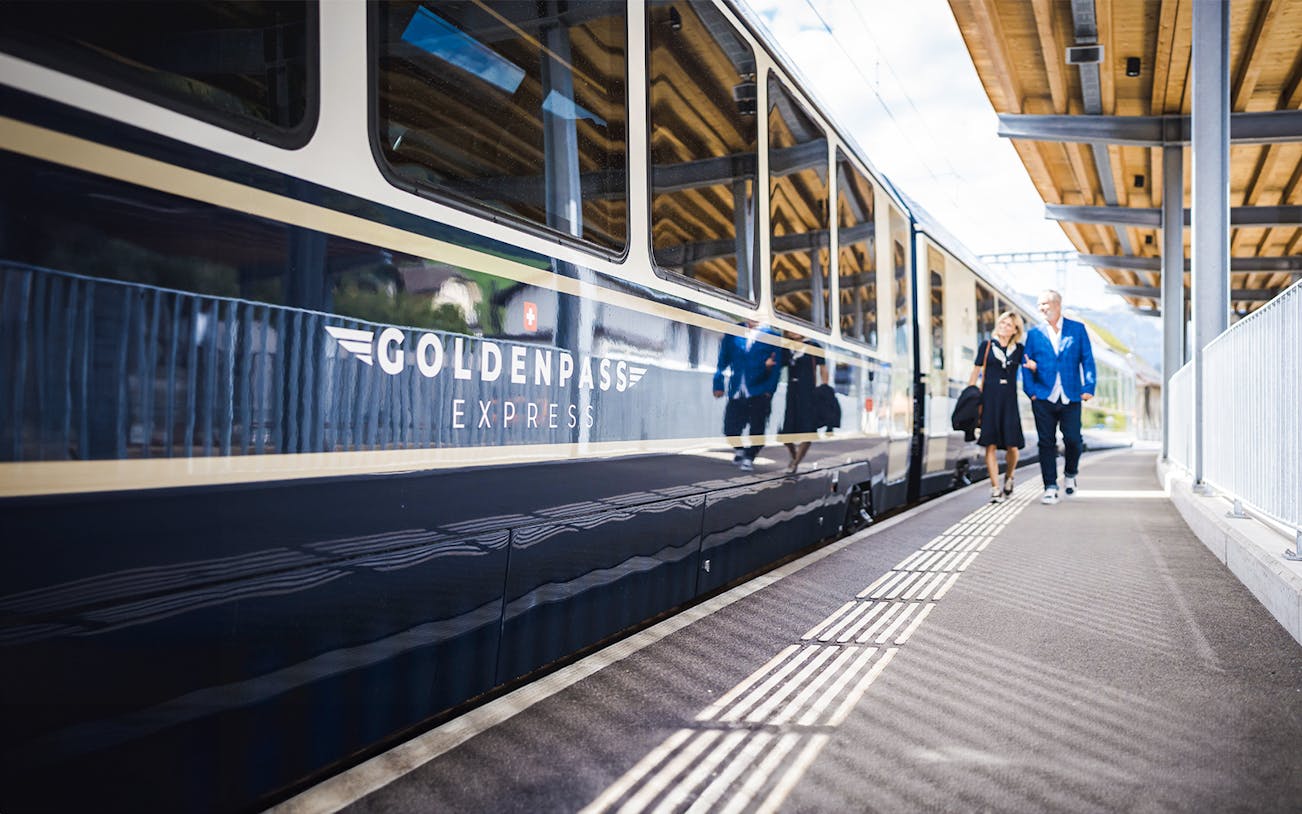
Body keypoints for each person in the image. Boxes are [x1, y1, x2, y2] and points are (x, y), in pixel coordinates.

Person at [1021, 289, 1096, 505]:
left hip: (1071, 395)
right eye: (1039, 305)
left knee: (1073, 440)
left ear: (1057, 304)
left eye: (1044, 304)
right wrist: (1031, 392)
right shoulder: (1034, 334)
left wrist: (1089, 386)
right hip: (1043, 396)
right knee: (1046, 442)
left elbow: (1087, 360)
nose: (1041, 308)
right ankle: (1050, 487)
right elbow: (1026, 364)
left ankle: (1070, 474)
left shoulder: (1077, 329)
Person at [968, 311, 1034, 503]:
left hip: (1009, 402)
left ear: (1015, 330)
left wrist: (1033, 367)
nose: (1004, 326)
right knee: (990, 444)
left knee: (1012, 446)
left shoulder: (1019, 349)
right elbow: (976, 372)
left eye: (1008, 324)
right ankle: (995, 488)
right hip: (989, 401)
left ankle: (1009, 477)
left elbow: (1029, 367)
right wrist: (970, 395)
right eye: (1002, 323)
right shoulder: (987, 346)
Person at [713, 320, 781, 471]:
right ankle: (740, 450)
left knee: (757, 429)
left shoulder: (773, 336)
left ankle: (749, 457)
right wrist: (718, 384)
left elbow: (776, 368)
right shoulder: (733, 331)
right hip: (737, 389)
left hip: (759, 390)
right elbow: (722, 360)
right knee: (730, 428)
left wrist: (769, 390)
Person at [779, 332, 828, 473]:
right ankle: (794, 457)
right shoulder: (787, 347)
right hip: (792, 392)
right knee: (786, 433)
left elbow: (823, 369)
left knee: (808, 430)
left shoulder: (814, 346)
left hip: (809, 393)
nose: (793, 331)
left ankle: (795, 463)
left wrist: (824, 388)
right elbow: (779, 364)